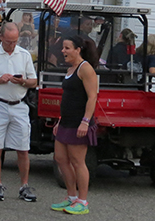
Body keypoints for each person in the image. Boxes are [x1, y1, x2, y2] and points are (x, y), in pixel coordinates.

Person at [0, 22, 38, 203]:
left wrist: (23, 81)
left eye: (15, 41)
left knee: (23, 148)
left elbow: (34, 81)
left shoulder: (24, 55)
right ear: (1, 38)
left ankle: (24, 185)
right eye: (9, 42)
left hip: (19, 104)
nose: (12, 45)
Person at [51, 36, 99, 215]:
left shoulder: (85, 69)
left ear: (78, 49)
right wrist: (60, 120)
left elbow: (92, 97)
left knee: (78, 162)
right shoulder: (70, 69)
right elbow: (68, 98)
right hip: (66, 122)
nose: (63, 51)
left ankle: (83, 201)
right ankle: (71, 197)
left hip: (79, 123)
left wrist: (85, 122)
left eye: (67, 48)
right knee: (61, 159)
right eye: (63, 48)